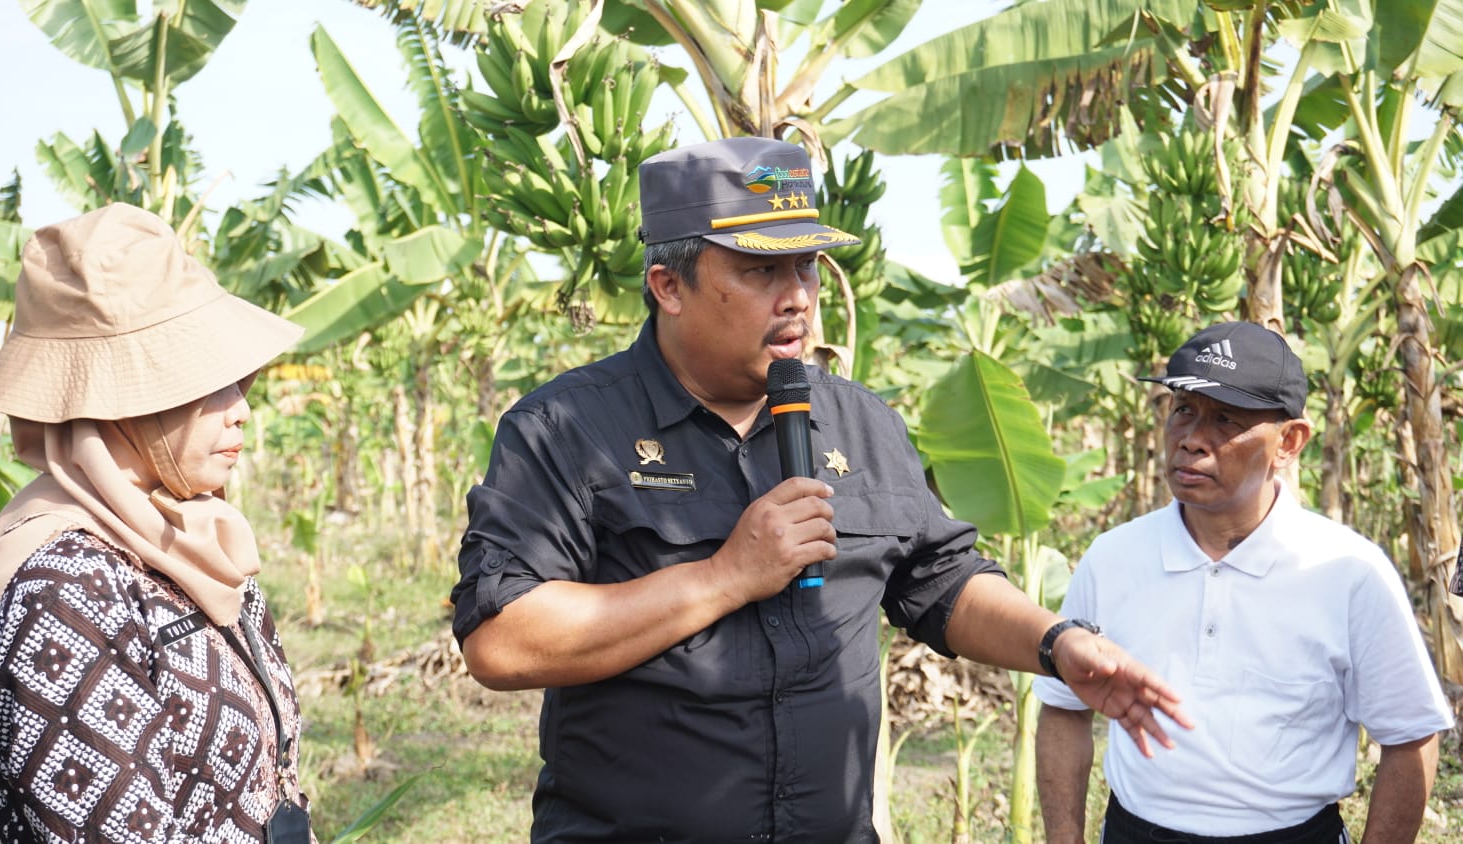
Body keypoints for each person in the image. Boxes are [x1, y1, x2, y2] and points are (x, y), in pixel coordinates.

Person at [450, 136, 1193, 843]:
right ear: (668, 286)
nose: (799, 298)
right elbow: (503, 640)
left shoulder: (857, 420)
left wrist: (1057, 644)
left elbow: (938, 581)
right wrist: (724, 577)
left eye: (805, 268)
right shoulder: (567, 427)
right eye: (760, 272)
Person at [0, 203, 314, 842]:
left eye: (239, 381)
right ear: (121, 404)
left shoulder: (184, 531)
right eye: (207, 383)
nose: (241, 409)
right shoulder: (63, 592)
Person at [1034, 321, 1455, 844]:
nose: (1190, 440)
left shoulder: (1348, 572)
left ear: (1289, 441)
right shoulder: (1113, 558)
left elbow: (1411, 736)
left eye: (1226, 420)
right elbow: (1064, 708)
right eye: (1183, 410)